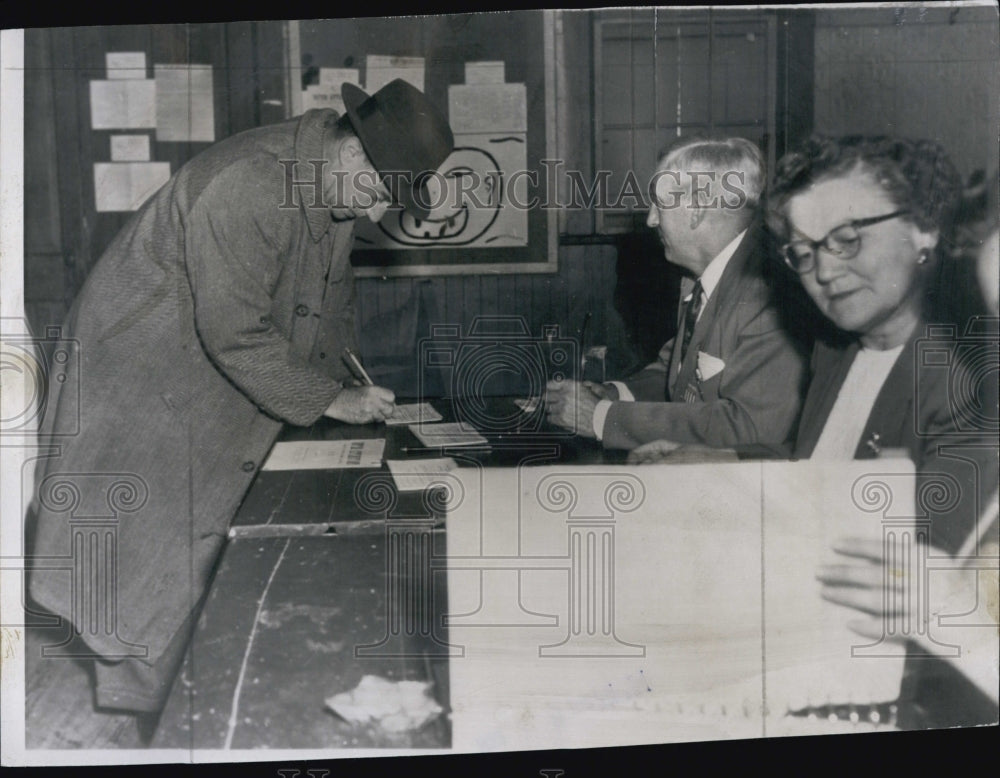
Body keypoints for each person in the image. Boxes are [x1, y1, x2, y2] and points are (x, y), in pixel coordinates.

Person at [26, 79, 455, 717]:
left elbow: (326, 306)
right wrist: (331, 400)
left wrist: (347, 378)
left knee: (192, 557)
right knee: (147, 558)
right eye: (378, 194)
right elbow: (234, 334)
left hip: (197, 372)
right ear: (356, 156)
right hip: (140, 383)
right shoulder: (255, 182)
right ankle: (153, 729)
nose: (372, 212)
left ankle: (172, 707)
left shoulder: (330, 187)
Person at [767, 135, 998, 728]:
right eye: (802, 252)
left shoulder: (969, 372)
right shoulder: (838, 350)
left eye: (847, 238)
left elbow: (918, 566)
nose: (824, 270)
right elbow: (824, 477)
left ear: (924, 230)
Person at [545, 137, 811, 455]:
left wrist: (603, 418)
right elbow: (681, 373)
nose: (651, 219)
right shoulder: (704, 277)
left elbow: (749, 427)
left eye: (659, 204)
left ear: (697, 210)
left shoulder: (769, 296)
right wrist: (615, 394)